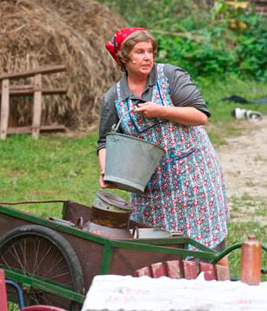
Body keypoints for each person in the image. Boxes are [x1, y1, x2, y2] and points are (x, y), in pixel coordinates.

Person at [97, 27, 230, 252]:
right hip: (150, 186)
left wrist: (162, 110)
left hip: (193, 176)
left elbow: (200, 116)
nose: (147, 57)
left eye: (150, 51)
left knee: (209, 246)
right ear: (123, 57)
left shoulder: (170, 76)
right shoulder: (114, 98)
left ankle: (220, 284)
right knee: (156, 249)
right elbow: (105, 141)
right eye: (140, 52)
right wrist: (106, 169)